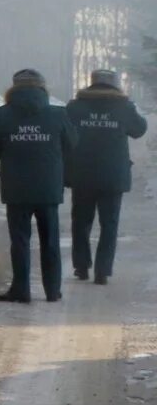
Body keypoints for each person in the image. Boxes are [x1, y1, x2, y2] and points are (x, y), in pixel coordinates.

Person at [0, 68, 78, 304]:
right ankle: (52, 290)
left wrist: (10, 153)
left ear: (13, 88)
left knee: (20, 240)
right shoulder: (58, 115)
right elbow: (72, 142)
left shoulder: (2, 115)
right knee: (50, 239)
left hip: (16, 187)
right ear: (42, 88)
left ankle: (21, 290)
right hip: (48, 187)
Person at [65, 69, 147, 286]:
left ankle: (81, 266)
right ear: (115, 85)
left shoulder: (75, 107)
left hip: (82, 173)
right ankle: (102, 271)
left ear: (92, 83)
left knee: (81, 221)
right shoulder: (124, 107)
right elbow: (139, 130)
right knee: (109, 224)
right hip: (113, 175)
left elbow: (63, 134)